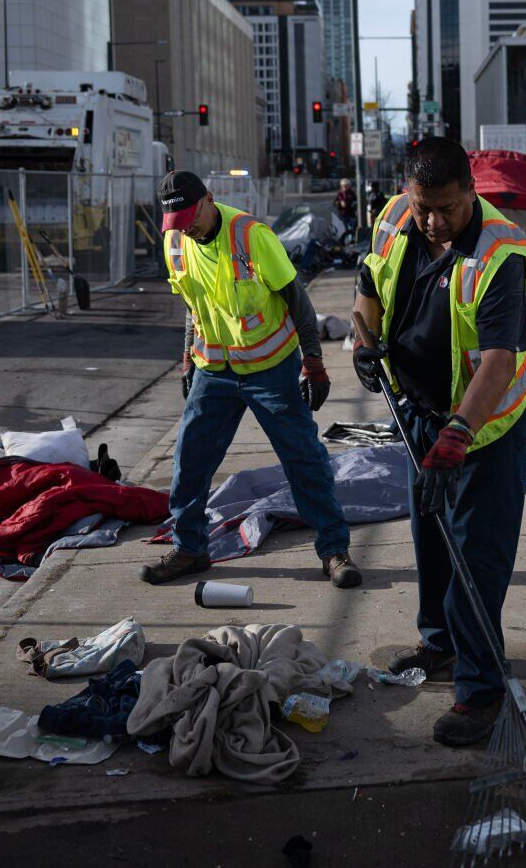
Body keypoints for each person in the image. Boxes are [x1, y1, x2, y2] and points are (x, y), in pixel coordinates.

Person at [352, 137, 526, 747]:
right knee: (432, 537)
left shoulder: (499, 254)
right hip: (419, 410)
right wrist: (365, 343)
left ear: (471, 193)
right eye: (424, 208)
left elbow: (498, 360)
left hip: (484, 425)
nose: (434, 222)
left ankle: (480, 689)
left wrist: (459, 433)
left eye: (448, 210)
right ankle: (437, 645)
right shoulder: (394, 218)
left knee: (475, 556)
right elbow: (369, 283)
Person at [143, 171, 363, 589]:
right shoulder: (176, 240)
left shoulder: (250, 235)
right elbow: (193, 303)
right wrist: (187, 360)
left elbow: (296, 298)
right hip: (214, 370)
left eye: (192, 215)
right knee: (189, 461)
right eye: (179, 221)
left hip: (271, 368)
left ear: (209, 199)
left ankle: (334, 550)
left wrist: (312, 362)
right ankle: (190, 548)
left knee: (304, 459)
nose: (187, 226)